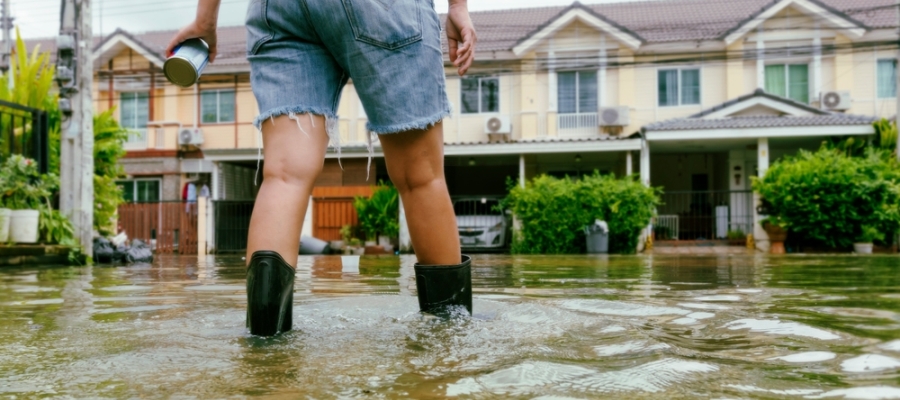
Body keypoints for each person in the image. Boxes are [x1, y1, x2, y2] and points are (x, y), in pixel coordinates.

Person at [168, 0, 477, 336]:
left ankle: (265, 357)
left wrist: (205, 20)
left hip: (280, 10)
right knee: (421, 178)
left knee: (283, 177)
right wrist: (458, 6)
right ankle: (450, 342)